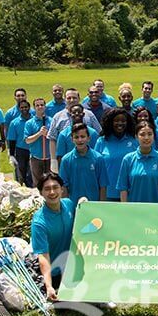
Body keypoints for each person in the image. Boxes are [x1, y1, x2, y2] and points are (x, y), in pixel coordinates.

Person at [31, 172, 75, 301]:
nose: (52, 192)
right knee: (64, 304)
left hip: (74, 264)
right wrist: (48, 286)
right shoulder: (39, 222)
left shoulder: (69, 204)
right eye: (47, 189)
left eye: (55, 187)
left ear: (62, 189)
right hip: (56, 271)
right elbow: (43, 256)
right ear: (41, 193)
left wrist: (84, 204)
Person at [117, 121, 158, 203]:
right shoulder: (128, 159)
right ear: (136, 137)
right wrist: (125, 209)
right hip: (133, 210)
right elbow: (123, 188)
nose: (146, 138)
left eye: (150, 134)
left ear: (154, 136)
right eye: (142, 134)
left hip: (155, 211)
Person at [48, 88, 101, 169]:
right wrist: (53, 161)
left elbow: (99, 134)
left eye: (74, 98)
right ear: (65, 99)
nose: (72, 100)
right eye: (69, 98)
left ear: (79, 99)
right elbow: (52, 139)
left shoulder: (89, 115)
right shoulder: (57, 117)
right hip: (68, 162)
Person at [94, 108, 138, 201]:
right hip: (107, 193)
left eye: (123, 121)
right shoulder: (102, 141)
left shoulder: (134, 140)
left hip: (130, 193)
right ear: (110, 122)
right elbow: (96, 168)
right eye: (116, 121)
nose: (120, 123)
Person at [58, 123, 108, 203]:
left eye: (83, 136)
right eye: (76, 137)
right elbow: (64, 186)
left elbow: (103, 186)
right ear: (72, 139)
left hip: (93, 205)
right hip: (74, 205)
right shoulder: (66, 160)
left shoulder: (98, 158)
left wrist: (101, 207)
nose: (80, 140)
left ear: (88, 138)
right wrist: (66, 207)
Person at [24, 98, 52, 186]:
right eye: (37, 105)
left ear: (45, 106)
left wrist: (48, 134)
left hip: (50, 157)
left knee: (51, 182)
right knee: (37, 184)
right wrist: (39, 134)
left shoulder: (52, 121)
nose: (40, 107)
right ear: (34, 108)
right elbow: (27, 140)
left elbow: (56, 138)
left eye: (42, 105)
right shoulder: (29, 123)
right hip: (36, 158)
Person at [7, 99, 33, 186]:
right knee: (21, 173)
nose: (24, 109)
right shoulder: (14, 123)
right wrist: (11, 155)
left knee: (31, 174)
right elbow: (12, 139)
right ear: (19, 109)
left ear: (29, 108)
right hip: (20, 150)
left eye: (26, 107)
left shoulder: (34, 120)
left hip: (33, 150)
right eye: (22, 107)